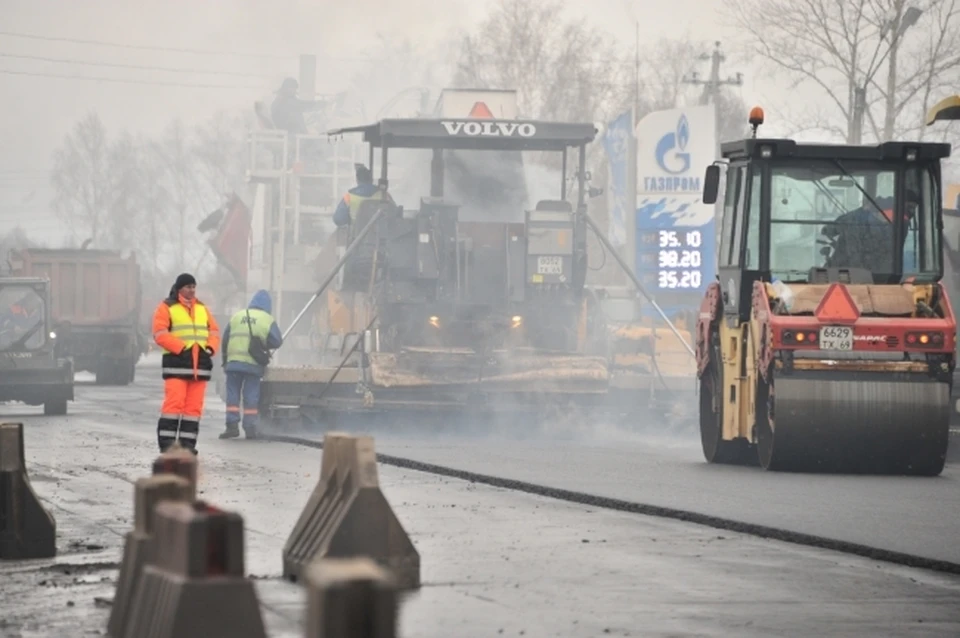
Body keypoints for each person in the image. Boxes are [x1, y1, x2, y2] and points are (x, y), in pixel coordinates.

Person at [151, 273, 220, 454]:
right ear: (179, 288)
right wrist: (181, 349)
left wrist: (210, 349)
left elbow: (214, 331)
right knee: (173, 406)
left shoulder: (202, 308)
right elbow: (159, 333)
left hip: (199, 368)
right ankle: (167, 446)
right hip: (177, 366)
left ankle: (187, 447)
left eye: (194, 286)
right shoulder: (166, 307)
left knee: (193, 410)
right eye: (188, 286)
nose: (192, 290)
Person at [218, 289, 283, 440]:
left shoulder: (237, 316)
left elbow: (225, 338)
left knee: (232, 394)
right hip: (253, 365)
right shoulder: (267, 319)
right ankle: (250, 428)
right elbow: (277, 341)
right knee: (251, 396)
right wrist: (263, 344)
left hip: (233, 363)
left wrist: (225, 360)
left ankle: (231, 426)